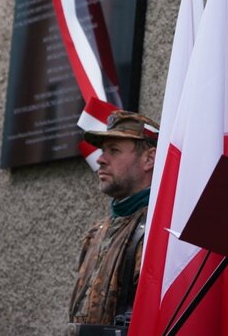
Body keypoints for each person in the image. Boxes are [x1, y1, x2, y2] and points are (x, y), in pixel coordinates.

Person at [68, 111, 159, 333]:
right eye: (102, 150)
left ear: (149, 159)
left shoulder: (160, 230)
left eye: (114, 150)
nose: (100, 159)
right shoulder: (96, 232)